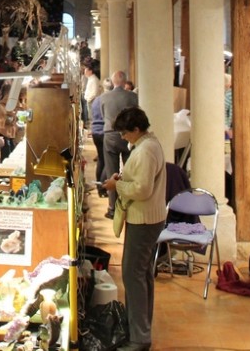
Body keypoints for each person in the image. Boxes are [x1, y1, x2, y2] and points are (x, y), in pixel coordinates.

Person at [101, 106, 166, 351]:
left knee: (132, 275)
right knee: (142, 274)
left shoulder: (146, 150)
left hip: (144, 219)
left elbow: (142, 189)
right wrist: (122, 180)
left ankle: (139, 338)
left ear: (137, 129)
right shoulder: (147, 144)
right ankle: (140, 328)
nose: (123, 137)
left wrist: (116, 186)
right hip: (148, 217)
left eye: (125, 132)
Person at [100, 71, 139, 219]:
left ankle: (113, 208)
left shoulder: (104, 97)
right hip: (129, 135)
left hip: (110, 135)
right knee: (129, 172)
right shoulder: (133, 97)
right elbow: (137, 115)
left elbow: (103, 116)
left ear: (113, 82)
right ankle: (128, 205)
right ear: (125, 82)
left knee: (112, 171)